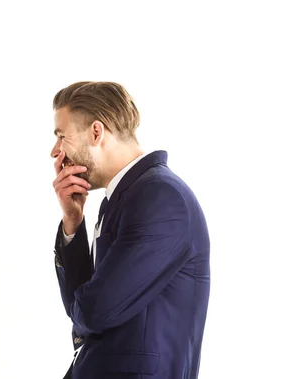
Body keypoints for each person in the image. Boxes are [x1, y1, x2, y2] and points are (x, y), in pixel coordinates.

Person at [50, 81, 210, 379]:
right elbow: (85, 306)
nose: (55, 151)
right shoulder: (123, 198)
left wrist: (84, 311)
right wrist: (73, 222)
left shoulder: (161, 197)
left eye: (61, 136)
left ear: (96, 132)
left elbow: (94, 311)